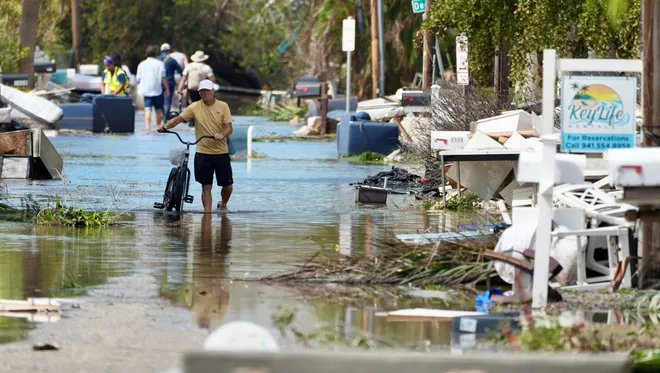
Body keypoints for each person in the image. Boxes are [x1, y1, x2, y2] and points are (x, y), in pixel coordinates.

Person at [158, 80, 233, 212]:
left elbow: (229, 128)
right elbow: (178, 120)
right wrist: (165, 126)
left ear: (213, 91)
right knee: (206, 186)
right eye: (202, 91)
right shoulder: (194, 107)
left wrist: (222, 134)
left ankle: (223, 204)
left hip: (221, 152)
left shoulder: (223, 106)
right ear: (199, 92)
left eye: (208, 90)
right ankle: (207, 213)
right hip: (203, 151)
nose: (205, 93)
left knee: (227, 186)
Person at [137, 45, 169, 130]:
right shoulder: (160, 63)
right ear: (155, 54)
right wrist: (167, 89)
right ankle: (158, 127)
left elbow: (138, 78)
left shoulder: (141, 64)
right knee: (158, 110)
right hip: (157, 89)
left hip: (146, 90)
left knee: (148, 109)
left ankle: (147, 127)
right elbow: (163, 77)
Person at [158, 43, 183, 118]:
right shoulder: (172, 60)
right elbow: (180, 71)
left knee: (159, 99)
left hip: (158, 82)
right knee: (167, 99)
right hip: (169, 82)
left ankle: (160, 115)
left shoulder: (157, 59)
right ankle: (165, 117)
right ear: (169, 50)